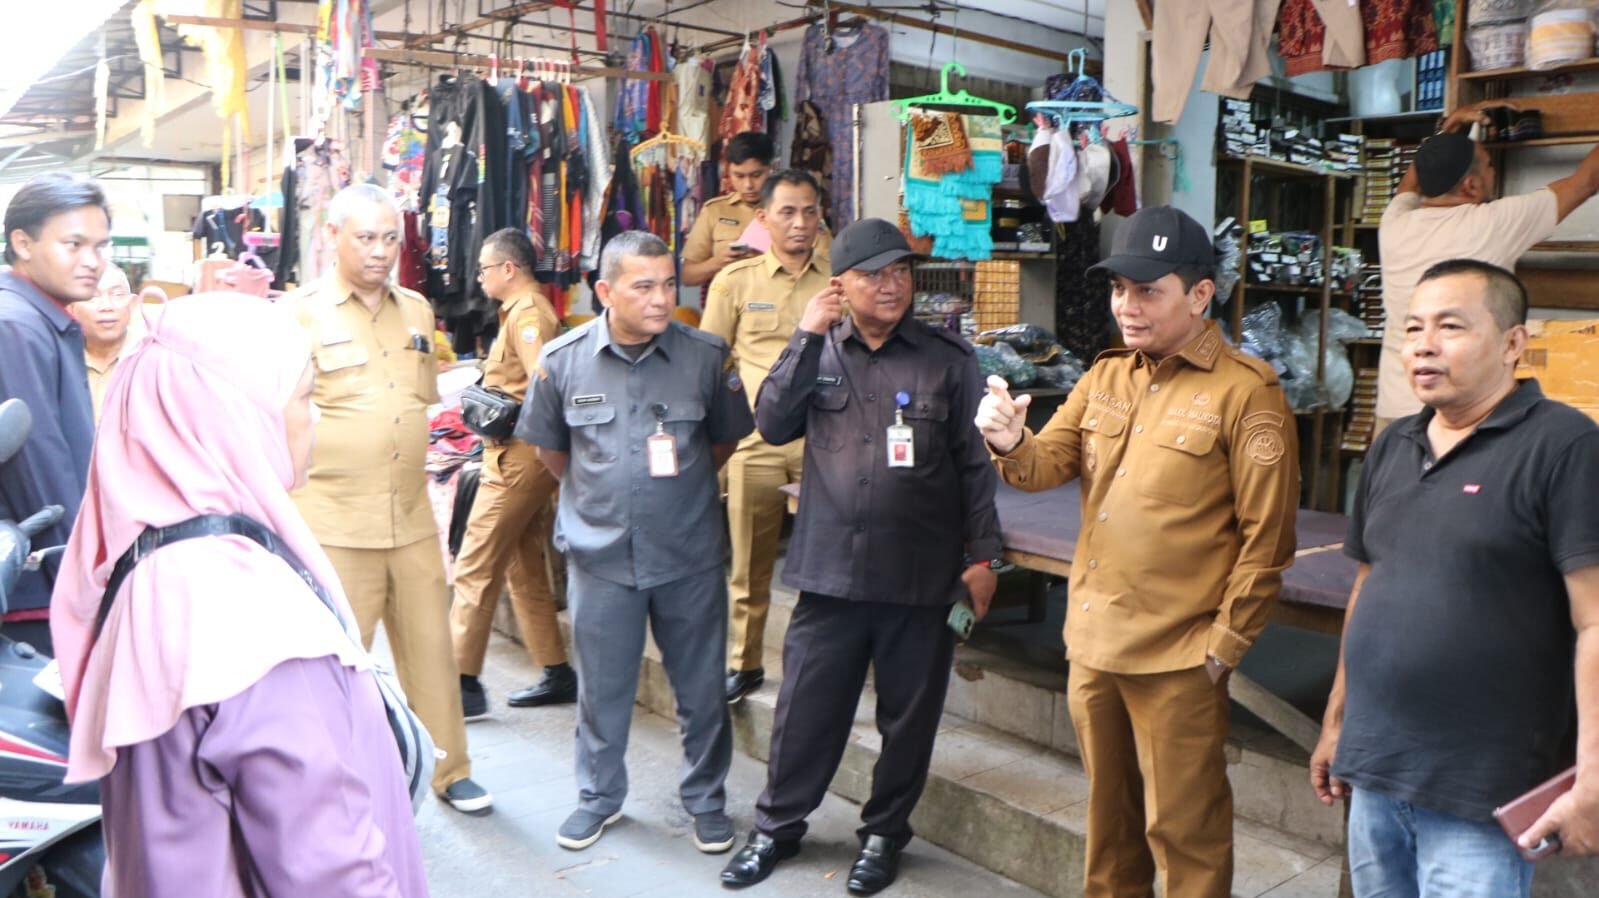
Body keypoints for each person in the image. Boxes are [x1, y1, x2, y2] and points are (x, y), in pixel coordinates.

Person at [49, 293, 429, 897]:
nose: (317, 418)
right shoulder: (242, 609)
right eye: (303, 396)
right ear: (235, 416)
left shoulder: (155, 562)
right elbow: (330, 870)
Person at [974, 206, 1299, 898]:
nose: (1126, 305)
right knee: (1109, 829)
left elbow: (1266, 538)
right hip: (1094, 642)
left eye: (1147, 290)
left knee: (1186, 836)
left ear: (1200, 294)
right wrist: (1006, 440)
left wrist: (1224, 646)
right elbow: (1042, 466)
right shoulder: (1106, 375)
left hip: (1179, 655)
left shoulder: (1245, 392)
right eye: (1120, 288)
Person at [719, 218, 1003, 895]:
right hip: (830, 576)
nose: (891, 284)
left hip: (921, 575)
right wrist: (804, 334)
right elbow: (771, 423)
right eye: (874, 273)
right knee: (804, 714)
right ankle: (776, 829)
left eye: (901, 272)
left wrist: (985, 558)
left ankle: (882, 836)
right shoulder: (817, 351)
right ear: (838, 284)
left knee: (908, 718)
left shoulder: (947, 358)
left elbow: (973, 465)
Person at [1310, 259, 1599, 898]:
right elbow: (1369, 587)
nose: (1424, 345)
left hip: (1480, 791)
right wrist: (1337, 723)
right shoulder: (1393, 445)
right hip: (1377, 773)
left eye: (1450, 326)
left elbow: (1595, 621)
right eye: (1413, 328)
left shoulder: (1565, 446)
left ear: (1513, 343)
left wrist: (1593, 778)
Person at [517, 231, 754, 853]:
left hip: (689, 554)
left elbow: (722, 445)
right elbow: (551, 452)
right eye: (643, 286)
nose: (660, 298)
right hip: (600, 557)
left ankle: (706, 802)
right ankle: (599, 798)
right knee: (603, 689)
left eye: (669, 284)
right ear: (605, 291)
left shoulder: (706, 356)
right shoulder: (562, 360)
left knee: (701, 689)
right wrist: (606, 501)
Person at [287, 183, 490, 815]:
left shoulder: (418, 312)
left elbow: (421, 403)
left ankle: (449, 770)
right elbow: (277, 415)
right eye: (365, 238)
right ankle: (329, 786)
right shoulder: (298, 314)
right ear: (331, 235)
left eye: (389, 239)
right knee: (335, 667)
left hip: (410, 518)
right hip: (334, 522)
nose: (379, 252)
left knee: (432, 650)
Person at [1375, 101, 1599, 430]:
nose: (1493, 170)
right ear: (1472, 186)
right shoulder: (1492, 224)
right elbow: (1587, 182)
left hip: (1396, 410)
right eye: (1489, 164)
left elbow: (1412, 182)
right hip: (1460, 416)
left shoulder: (1394, 223)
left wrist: (1448, 130)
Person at [700, 169, 830, 704]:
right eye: (787, 212)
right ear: (764, 218)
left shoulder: (839, 278)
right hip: (754, 446)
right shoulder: (736, 281)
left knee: (826, 562)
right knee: (749, 561)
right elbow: (710, 360)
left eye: (808, 211)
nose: (800, 223)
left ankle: (820, 666)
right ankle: (744, 662)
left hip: (824, 442)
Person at [450, 228, 576, 717]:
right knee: (523, 564)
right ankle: (555, 671)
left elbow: (546, 389)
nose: (479, 277)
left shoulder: (529, 317)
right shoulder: (521, 313)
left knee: (476, 564)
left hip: (518, 459)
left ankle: (461, 683)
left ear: (508, 269)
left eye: (484, 268)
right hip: (516, 455)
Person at [0, 173, 109, 654]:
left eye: (100, 246)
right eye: (74, 244)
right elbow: (41, 467)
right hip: (39, 584)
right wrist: (82, 579)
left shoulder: (44, 318)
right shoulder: (16, 325)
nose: (92, 262)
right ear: (22, 242)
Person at [681, 132, 832, 288]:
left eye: (756, 175)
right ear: (728, 171)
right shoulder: (715, 211)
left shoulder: (801, 214)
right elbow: (688, 276)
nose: (748, 185)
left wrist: (775, 259)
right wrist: (718, 262)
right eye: (739, 176)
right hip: (730, 304)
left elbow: (827, 272)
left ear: (772, 168)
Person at [69, 263, 145, 422]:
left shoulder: (151, 358)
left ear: (133, 304)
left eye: (117, 295)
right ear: (71, 308)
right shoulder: (60, 359)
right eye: (93, 297)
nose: (107, 306)